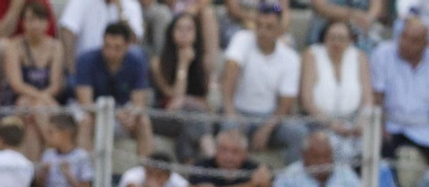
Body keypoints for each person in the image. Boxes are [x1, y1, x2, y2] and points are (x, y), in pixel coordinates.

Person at [220, 3, 306, 160]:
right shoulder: (242, 39)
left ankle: (291, 180)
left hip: (269, 118)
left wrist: (266, 129)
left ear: (280, 30)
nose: (262, 31)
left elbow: (286, 102)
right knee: (229, 127)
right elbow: (228, 78)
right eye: (259, 25)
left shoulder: (291, 57)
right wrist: (230, 112)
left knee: (298, 132)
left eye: (269, 27)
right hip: (239, 113)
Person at [371, 15, 429, 165]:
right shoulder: (383, 53)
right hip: (393, 130)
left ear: (425, 44)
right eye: (404, 37)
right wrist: (381, 130)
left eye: (414, 41)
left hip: (426, 133)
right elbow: (377, 98)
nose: (406, 44)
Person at [76, 21, 154, 162]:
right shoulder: (86, 59)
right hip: (95, 113)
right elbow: (85, 103)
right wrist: (114, 113)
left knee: (143, 121)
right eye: (107, 46)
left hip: (122, 112)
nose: (110, 52)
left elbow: (139, 102)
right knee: (85, 121)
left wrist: (131, 115)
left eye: (117, 48)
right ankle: (85, 176)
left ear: (128, 46)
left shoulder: (137, 61)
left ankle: (145, 175)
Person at [301, 20, 371, 166]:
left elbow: (367, 99)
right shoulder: (312, 54)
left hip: (353, 122)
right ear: (325, 38)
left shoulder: (359, 57)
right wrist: (332, 124)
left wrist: (360, 123)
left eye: (341, 38)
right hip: (320, 122)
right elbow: (307, 100)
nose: (336, 43)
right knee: (336, 147)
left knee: (370, 146)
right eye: (332, 37)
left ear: (350, 40)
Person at [0, 2, 65, 158]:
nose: (34, 25)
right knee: (28, 105)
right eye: (29, 20)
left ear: (47, 23)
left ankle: (36, 172)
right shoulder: (13, 46)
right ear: (23, 22)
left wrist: (40, 99)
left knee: (32, 124)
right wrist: (41, 98)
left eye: (38, 20)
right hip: (18, 101)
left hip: (41, 102)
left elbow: (55, 85)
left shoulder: (56, 47)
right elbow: (16, 84)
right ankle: (55, 146)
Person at [151, 11, 216, 166]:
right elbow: (174, 101)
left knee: (191, 119)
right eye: (180, 29)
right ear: (171, 32)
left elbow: (205, 100)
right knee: (192, 112)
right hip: (165, 116)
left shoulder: (204, 62)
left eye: (189, 29)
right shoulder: (158, 63)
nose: (184, 33)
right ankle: (212, 158)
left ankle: (190, 166)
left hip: (192, 115)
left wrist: (187, 101)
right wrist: (183, 65)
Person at [273, 130, 363, 187]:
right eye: (316, 157)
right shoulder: (289, 176)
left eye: (326, 156)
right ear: (304, 155)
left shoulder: (346, 174)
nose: (322, 162)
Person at [190, 126, 275, 187]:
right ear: (216, 150)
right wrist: (251, 186)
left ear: (245, 154)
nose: (228, 156)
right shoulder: (201, 167)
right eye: (224, 149)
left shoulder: (255, 169)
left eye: (235, 151)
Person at [58, 0, 144, 68]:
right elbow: (66, 30)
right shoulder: (81, 1)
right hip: (87, 65)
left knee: (137, 55)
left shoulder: (132, 5)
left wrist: (121, 10)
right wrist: (71, 67)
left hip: (120, 68)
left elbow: (133, 40)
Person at [38, 111, 94, 187]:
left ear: (66, 134)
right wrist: (43, 174)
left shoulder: (81, 156)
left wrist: (69, 175)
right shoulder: (47, 154)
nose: (48, 136)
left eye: (51, 132)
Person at [306, 0, 384, 50]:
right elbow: (321, 7)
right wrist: (353, 15)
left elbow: (377, 6)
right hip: (327, 26)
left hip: (361, 26)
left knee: (375, 48)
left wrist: (368, 18)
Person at [118, 152, 192, 187]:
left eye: (159, 176)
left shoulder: (173, 178)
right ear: (146, 170)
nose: (153, 178)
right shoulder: (133, 174)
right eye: (150, 174)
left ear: (167, 177)